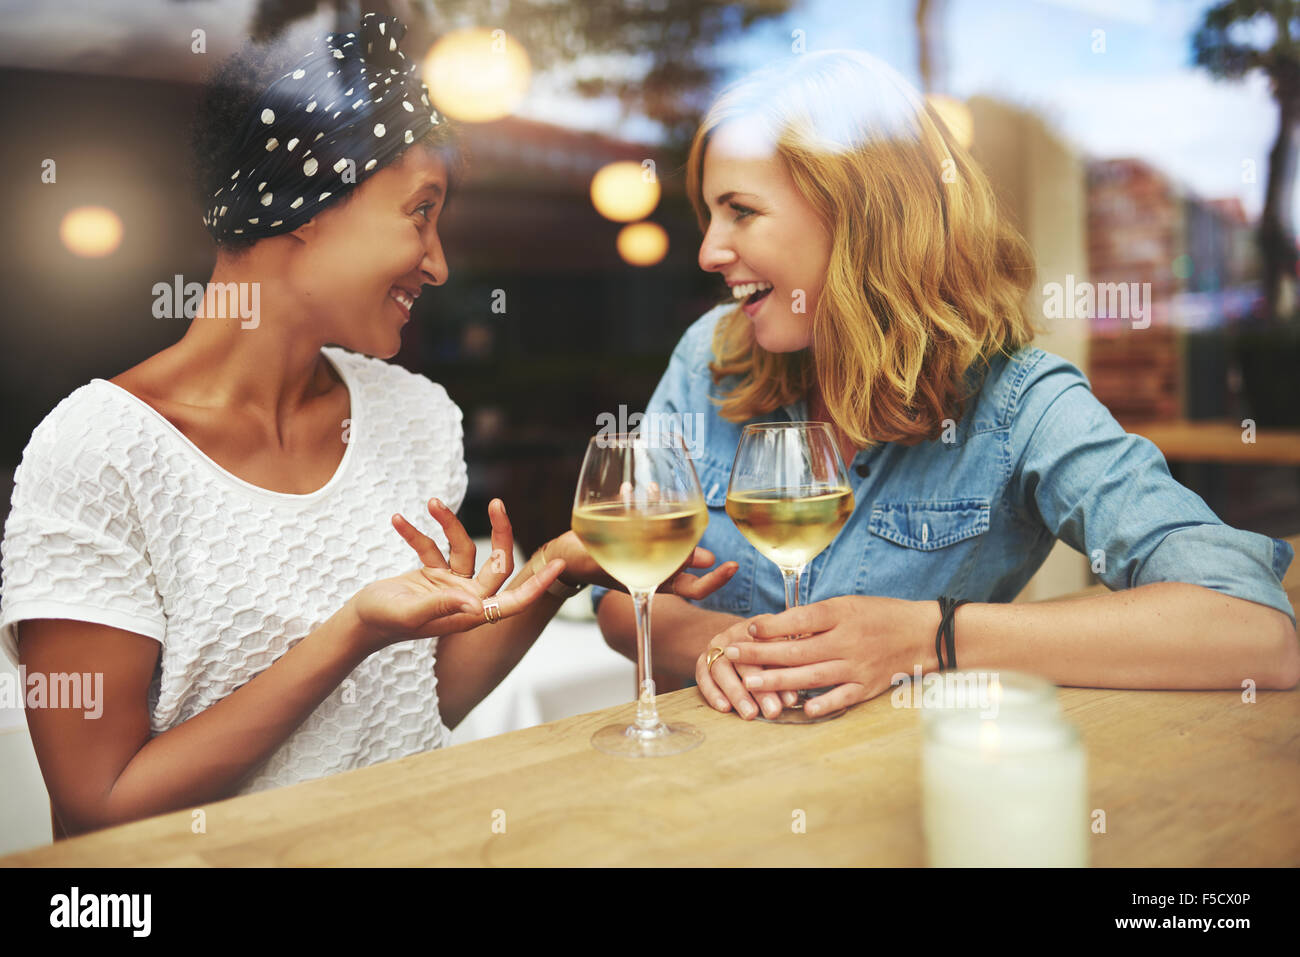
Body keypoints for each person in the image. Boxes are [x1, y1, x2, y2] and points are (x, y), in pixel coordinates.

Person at [0, 13, 733, 838]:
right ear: (302, 206)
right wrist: (349, 633)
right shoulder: (99, 453)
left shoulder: (414, 414)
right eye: (419, 213)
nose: (439, 260)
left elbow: (424, 700)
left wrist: (559, 567)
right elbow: (96, 806)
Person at [594, 50, 1299, 720]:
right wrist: (720, 646)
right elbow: (623, 601)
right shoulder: (709, 358)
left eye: (740, 210)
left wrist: (933, 638)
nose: (709, 250)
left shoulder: (1019, 405)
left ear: (856, 213)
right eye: (709, 214)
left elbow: (1251, 629)